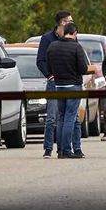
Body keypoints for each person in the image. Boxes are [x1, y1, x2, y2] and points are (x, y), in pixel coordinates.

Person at [46, 22, 90, 159]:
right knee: (71, 117)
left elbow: (48, 66)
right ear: (74, 33)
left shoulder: (52, 46)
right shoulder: (76, 47)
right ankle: (66, 150)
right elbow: (83, 69)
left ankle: (60, 150)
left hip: (58, 86)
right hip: (73, 86)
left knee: (61, 118)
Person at [36, 10, 74, 159]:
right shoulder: (47, 39)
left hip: (68, 82)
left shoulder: (71, 37)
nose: (72, 23)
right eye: (70, 21)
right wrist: (49, 75)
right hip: (54, 83)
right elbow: (40, 60)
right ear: (62, 23)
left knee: (65, 117)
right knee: (51, 118)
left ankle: (63, 148)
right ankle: (48, 148)